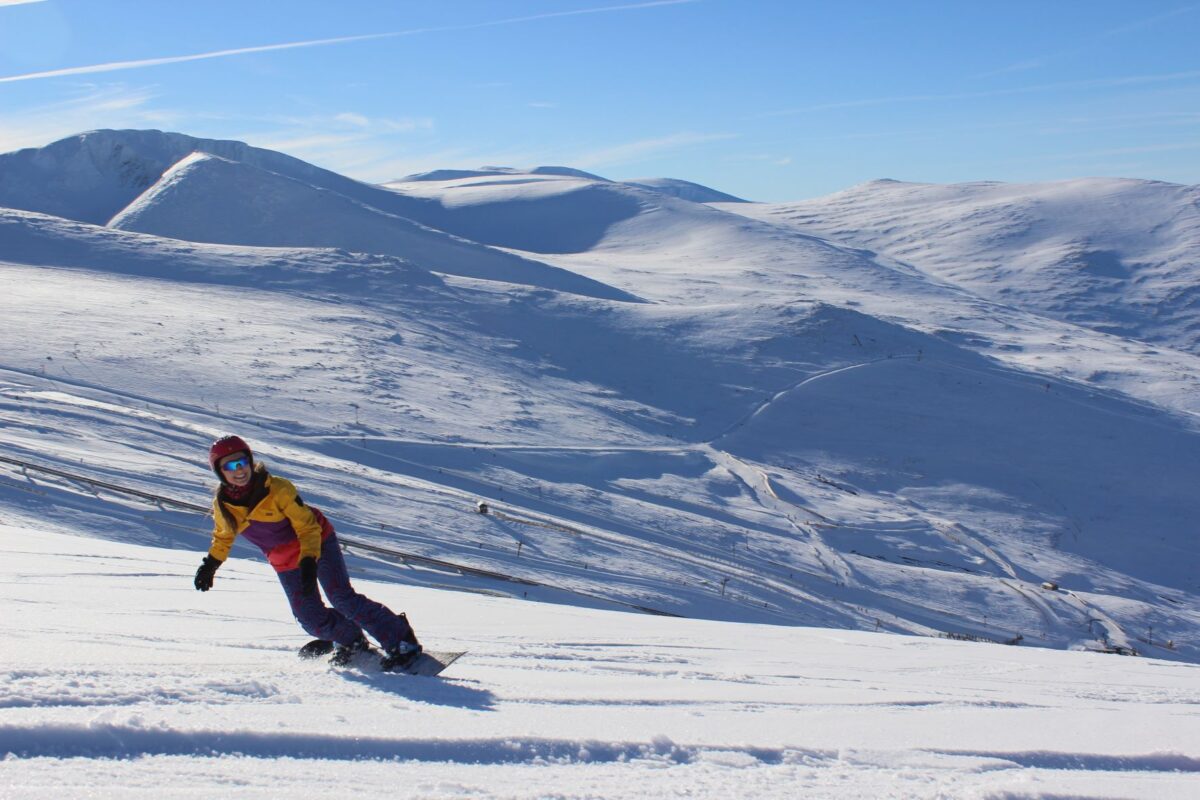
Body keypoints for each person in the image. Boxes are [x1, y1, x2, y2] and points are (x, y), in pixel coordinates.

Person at [193, 435, 422, 670]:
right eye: (230, 466)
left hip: (317, 543)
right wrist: (211, 564)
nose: (239, 470)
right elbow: (223, 536)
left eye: (242, 462)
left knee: (341, 598)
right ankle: (350, 639)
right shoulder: (223, 505)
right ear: (220, 472)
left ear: (250, 461)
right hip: (285, 561)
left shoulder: (276, 489)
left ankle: (401, 639)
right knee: (310, 619)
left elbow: (307, 526)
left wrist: (309, 559)